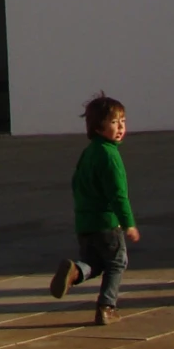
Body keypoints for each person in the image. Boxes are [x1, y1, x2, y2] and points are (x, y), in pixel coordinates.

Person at [50, 93, 138, 325]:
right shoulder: (110, 156)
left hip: (85, 223)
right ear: (98, 128)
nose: (120, 127)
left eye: (123, 121)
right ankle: (107, 306)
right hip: (107, 223)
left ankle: (75, 271)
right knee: (117, 263)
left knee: (95, 263)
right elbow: (118, 195)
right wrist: (128, 223)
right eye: (113, 122)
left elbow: (75, 182)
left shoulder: (89, 152)